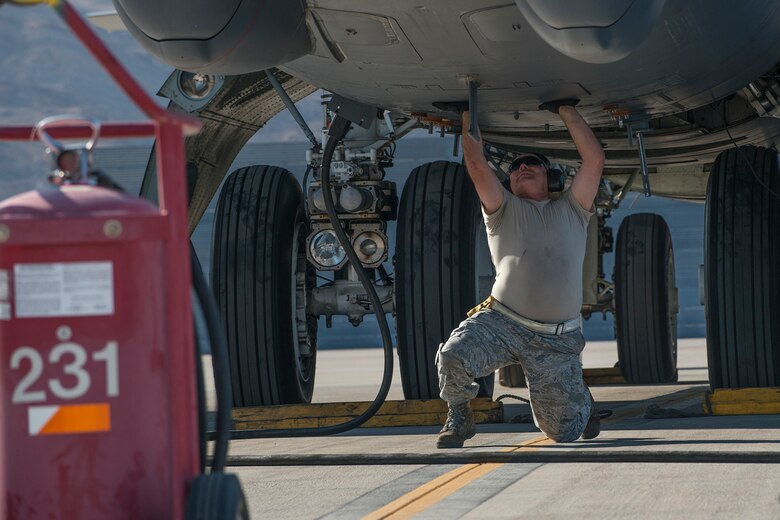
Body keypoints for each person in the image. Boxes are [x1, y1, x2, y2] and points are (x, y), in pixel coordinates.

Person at [436, 100, 606, 448]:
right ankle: (459, 414)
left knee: (564, 434)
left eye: (533, 164)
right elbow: (476, 165)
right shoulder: (501, 210)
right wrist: (469, 112)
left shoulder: (574, 209)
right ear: (509, 181)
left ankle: (581, 402)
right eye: (516, 167)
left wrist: (566, 109)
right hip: (503, 323)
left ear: (551, 177)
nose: (523, 167)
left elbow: (595, 160)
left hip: (556, 339)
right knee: (453, 355)